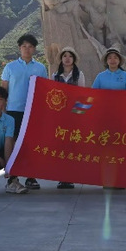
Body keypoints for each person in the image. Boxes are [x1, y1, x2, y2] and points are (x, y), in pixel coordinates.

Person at [1, 33, 48, 190]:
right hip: (13, 111)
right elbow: (3, 90)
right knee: (13, 143)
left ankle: (30, 176)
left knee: (30, 143)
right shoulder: (10, 67)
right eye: (24, 46)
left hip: (32, 111)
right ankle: (12, 177)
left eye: (30, 46)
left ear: (34, 49)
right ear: (19, 48)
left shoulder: (40, 68)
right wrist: (2, 111)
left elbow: (44, 90)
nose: (27, 49)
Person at [52, 46, 85, 189]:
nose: (67, 58)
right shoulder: (55, 76)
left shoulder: (79, 75)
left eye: (70, 56)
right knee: (60, 146)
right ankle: (61, 176)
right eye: (64, 56)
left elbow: (82, 96)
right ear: (61, 59)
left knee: (72, 146)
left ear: (74, 59)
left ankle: (70, 176)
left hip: (73, 116)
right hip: (59, 116)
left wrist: (78, 116)